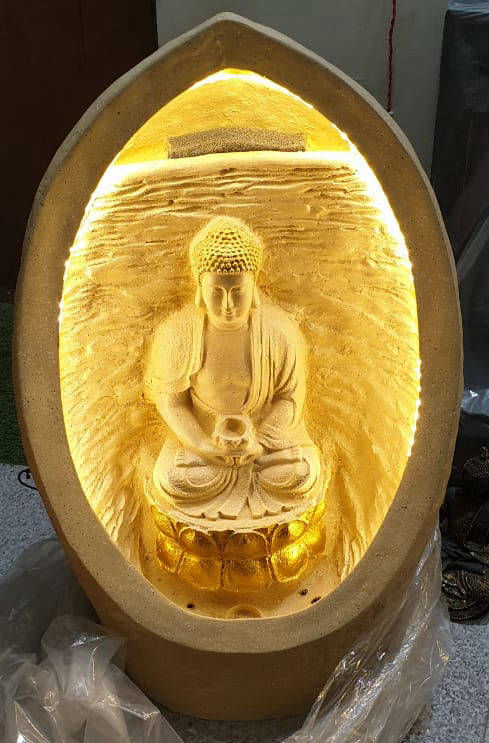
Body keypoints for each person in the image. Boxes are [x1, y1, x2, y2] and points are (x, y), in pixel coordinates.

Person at [145, 216, 322, 522]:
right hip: (203, 444)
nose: (228, 304)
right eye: (216, 292)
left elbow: (289, 399)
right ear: (200, 287)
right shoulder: (178, 333)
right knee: (174, 480)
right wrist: (202, 444)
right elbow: (172, 402)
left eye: (237, 291)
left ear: (254, 286)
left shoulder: (279, 332)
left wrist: (259, 441)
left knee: (300, 474)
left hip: (265, 444)